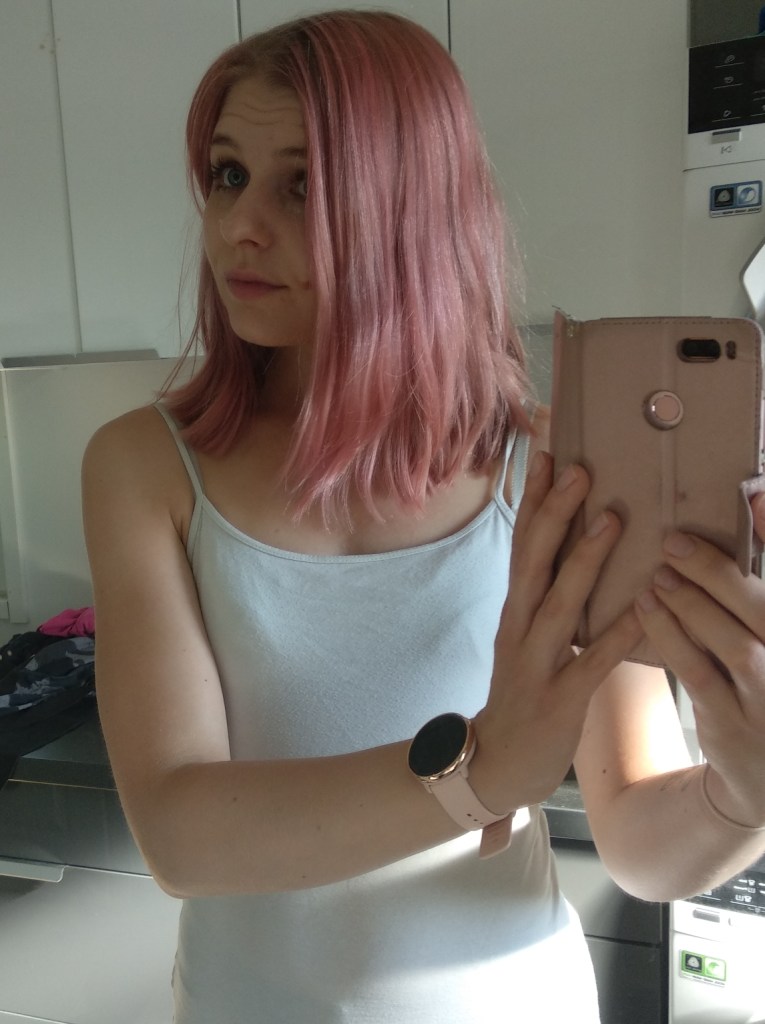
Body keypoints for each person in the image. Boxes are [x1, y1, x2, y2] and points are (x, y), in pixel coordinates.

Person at [82, 10, 765, 1023]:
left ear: (411, 210)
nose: (237, 227)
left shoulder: (546, 475)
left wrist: (743, 796)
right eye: (229, 174)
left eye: (301, 185)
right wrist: (480, 771)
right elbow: (182, 835)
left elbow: (639, 840)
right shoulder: (146, 467)